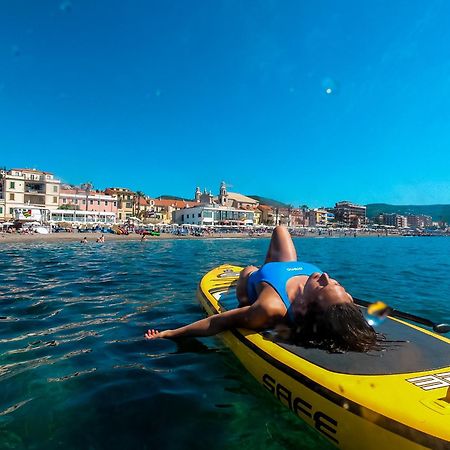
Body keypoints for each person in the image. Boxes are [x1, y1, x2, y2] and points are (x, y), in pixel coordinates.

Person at [145, 226, 378, 352]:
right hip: (286, 267)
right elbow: (352, 314)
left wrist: (170, 334)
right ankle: (267, 265)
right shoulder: (341, 299)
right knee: (280, 230)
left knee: (248, 271)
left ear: (306, 305)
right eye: (335, 282)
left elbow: (219, 322)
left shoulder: (270, 306)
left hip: (256, 281)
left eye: (323, 285)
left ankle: (252, 275)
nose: (326, 277)